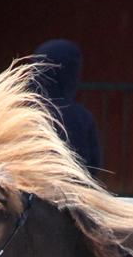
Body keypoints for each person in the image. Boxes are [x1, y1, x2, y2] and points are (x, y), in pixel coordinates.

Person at [31, 39, 103, 176]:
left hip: (26, 192)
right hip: (73, 193)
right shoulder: (80, 117)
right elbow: (94, 165)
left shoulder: (18, 112)